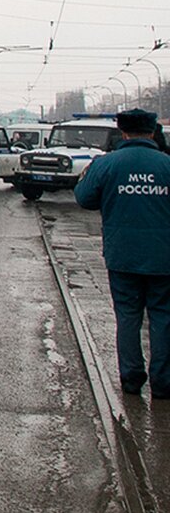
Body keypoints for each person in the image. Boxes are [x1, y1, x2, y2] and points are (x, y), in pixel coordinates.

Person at [74, 108, 170, 398]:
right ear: (153, 132)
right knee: (163, 316)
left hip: (122, 255)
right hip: (164, 257)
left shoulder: (107, 164)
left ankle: (131, 378)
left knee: (127, 316)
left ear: (122, 132)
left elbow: (84, 198)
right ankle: (163, 383)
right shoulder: (167, 164)